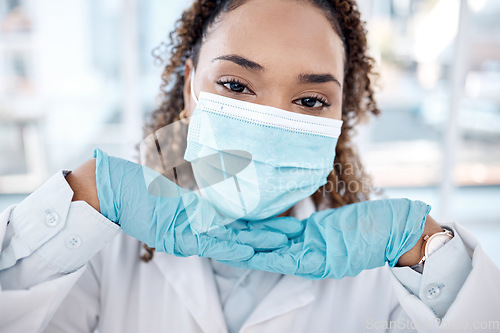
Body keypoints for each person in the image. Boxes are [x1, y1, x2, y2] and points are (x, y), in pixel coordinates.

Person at [1, 0, 499, 332]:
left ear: (340, 114)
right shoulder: (102, 241)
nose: (272, 121)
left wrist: (427, 250)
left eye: (309, 99)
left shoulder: (380, 267)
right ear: (191, 87)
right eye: (236, 86)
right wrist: (83, 193)